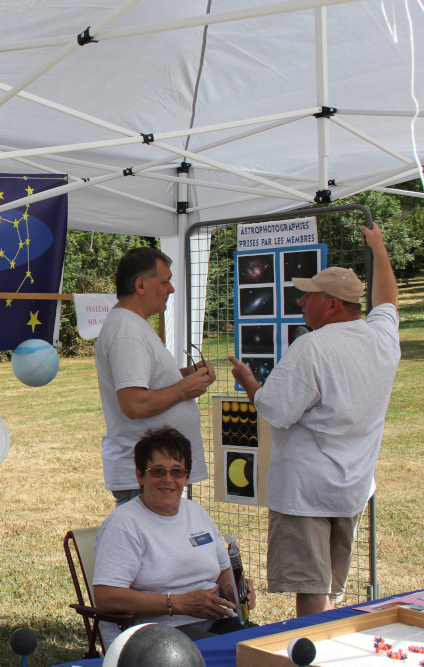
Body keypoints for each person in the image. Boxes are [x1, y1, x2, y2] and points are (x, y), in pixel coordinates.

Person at [228, 222, 400, 618]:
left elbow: (276, 410)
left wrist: (249, 381)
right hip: (352, 488)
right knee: (327, 593)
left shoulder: (312, 347)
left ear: (334, 305)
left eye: (309, 297)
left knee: (310, 593)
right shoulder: (382, 339)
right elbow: (388, 300)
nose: (301, 303)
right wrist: (379, 248)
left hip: (306, 492)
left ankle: (311, 655)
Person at [92, 426, 257, 645]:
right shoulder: (124, 525)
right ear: (140, 476)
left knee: (265, 647)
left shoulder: (196, 512)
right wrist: (176, 604)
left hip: (214, 622)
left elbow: (224, 569)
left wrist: (234, 590)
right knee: (229, 655)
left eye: (177, 471)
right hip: (156, 634)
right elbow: (106, 597)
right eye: (158, 471)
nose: (168, 479)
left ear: (186, 478)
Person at [95, 247, 215, 505]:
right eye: (165, 281)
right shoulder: (127, 330)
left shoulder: (132, 324)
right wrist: (184, 389)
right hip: (146, 479)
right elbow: (134, 403)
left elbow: (147, 380)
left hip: (155, 475)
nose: (171, 289)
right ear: (140, 285)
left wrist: (188, 375)